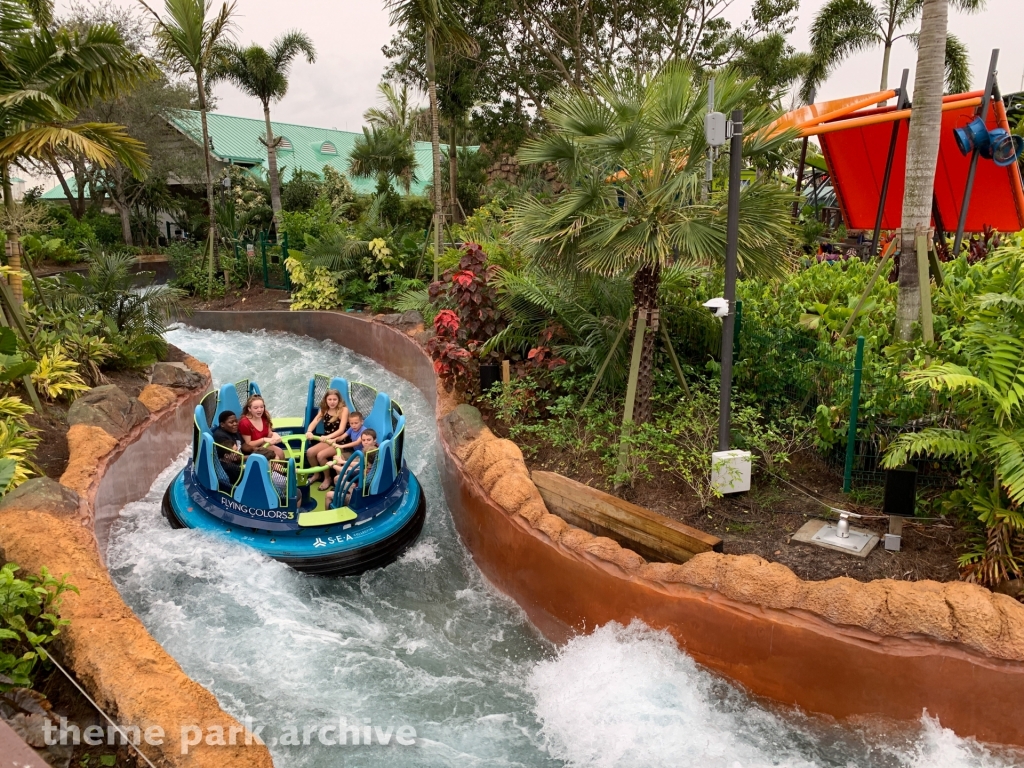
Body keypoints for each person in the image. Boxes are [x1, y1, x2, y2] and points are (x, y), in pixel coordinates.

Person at [304, 389, 349, 491]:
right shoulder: (324, 409)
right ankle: (316, 475)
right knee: (310, 452)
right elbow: (314, 422)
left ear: (339, 400)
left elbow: (341, 430)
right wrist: (309, 431)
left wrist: (328, 437)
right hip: (328, 440)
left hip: (339, 441)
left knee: (321, 455)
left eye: (334, 399)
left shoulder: (343, 410)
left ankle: (327, 478)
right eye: (329, 399)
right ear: (326, 400)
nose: (332, 402)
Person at [325, 429, 377, 509]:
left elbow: (347, 471)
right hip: (363, 489)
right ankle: (341, 495)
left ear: (374, 440)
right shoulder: (375, 454)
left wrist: (332, 465)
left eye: (368, 440)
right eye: (364, 440)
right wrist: (343, 462)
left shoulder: (363, 472)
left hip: (357, 498)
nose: (366, 442)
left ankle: (335, 508)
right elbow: (360, 464)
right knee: (336, 478)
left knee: (328, 495)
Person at [239, 395, 284, 460]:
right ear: (249, 409)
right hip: (253, 450)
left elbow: (269, 434)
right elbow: (248, 444)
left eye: (262, 407)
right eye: (256, 408)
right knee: (276, 457)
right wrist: (263, 439)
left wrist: (274, 434)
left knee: (280, 453)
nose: (259, 410)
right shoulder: (244, 423)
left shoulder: (265, 415)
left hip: (265, 445)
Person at [212, 411, 244, 488]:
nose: (235, 424)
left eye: (236, 421)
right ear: (222, 424)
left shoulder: (233, 430)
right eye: (231, 422)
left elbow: (242, 445)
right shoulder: (220, 436)